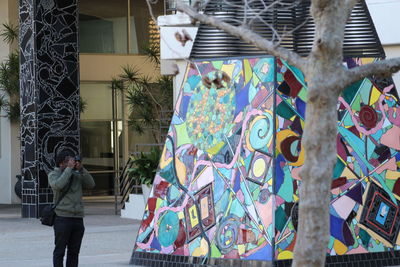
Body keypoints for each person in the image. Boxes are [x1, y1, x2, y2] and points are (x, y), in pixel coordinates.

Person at [48, 149, 95, 267]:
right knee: (60, 251)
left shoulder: (76, 174)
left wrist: (81, 169)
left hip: (77, 218)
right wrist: (69, 169)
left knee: (74, 252)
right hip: (62, 218)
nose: (71, 163)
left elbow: (91, 184)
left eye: (72, 161)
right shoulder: (54, 174)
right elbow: (58, 185)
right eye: (68, 161)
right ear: (61, 163)